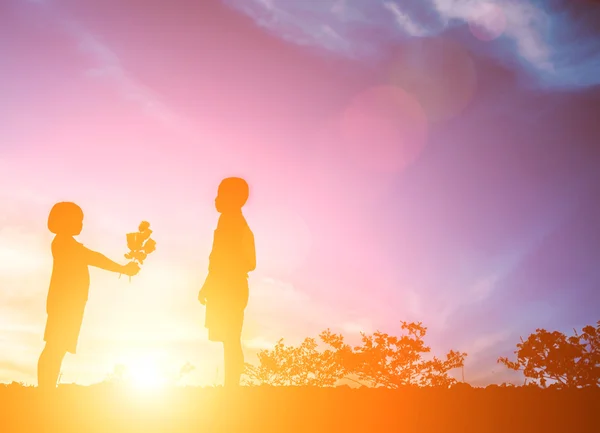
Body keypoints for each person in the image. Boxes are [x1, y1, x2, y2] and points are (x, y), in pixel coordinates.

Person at [38, 202, 140, 390]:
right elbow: (94, 258)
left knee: (58, 346)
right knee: (55, 346)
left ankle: (47, 388)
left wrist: (122, 268)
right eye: (78, 220)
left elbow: (91, 257)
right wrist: (122, 269)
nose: (81, 224)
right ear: (64, 221)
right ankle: (46, 389)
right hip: (64, 304)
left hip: (70, 303)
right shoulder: (64, 244)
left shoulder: (66, 244)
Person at [198, 177, 256, 387]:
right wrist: (209, 284)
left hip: (228, 285)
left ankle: (231, 387)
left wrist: (209, 284)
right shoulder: (231, 221)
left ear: (233, 198)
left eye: (220, 194)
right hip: (229, 284)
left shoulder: (230, 221)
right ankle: (231, 385)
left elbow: (222, 258)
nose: (215, 199)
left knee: (230, 336)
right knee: (229, 336)